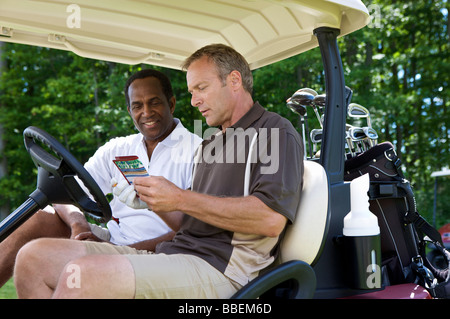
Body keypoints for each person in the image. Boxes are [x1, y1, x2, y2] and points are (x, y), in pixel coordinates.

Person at [13, 44, 304, 299]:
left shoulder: (273, 132)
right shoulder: (213, 142)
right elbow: (187, 222)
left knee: (84, 275)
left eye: (201, 88)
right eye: (191, 92)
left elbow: (270, 220)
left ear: (235, 80)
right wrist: (153, 199)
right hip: (177, 254)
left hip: (223, 269)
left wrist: (180, 197)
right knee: (33, 259)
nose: (194, 101)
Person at [0, 69, 202, 287]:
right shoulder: (117, 148)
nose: (146, 112)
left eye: (154, 103)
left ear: (171, 104)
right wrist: (80, 226)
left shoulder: (197, 151)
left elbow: (189, 232)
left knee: (39, 259)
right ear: (129, 111)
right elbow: (65, 195)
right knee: (39, 217)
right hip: (112, 239)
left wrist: (118, 251)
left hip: (159, 252)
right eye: (137, 106)